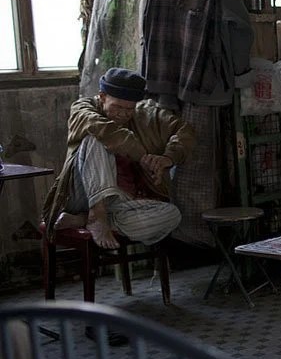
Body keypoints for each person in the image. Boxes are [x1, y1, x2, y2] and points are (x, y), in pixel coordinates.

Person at [43, 68, 195, 249]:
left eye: (129, 109)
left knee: (172, 214)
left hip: (122, 201)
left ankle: (87, 220)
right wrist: (142, 156)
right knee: (95, 138)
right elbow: (104, 129)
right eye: (117, 107)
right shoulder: (83, 108)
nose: (123, 114)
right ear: (102, 96)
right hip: (82, 195)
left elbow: (185, 131)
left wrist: (168, 158)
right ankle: (96, 212)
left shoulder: (147, 115)